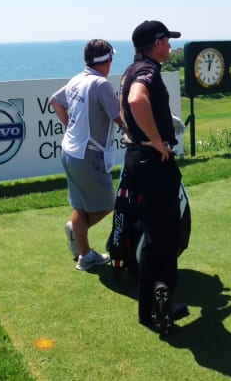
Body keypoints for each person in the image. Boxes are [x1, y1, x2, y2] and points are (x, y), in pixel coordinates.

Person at [120, 20, 191, 332]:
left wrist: (141, 138)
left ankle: (156, 305)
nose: (171, 46)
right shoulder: (147, 71)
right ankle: (154, 310)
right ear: (158, 43)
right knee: (161, 237)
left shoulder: (132, 69)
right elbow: (136, 100)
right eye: (168, 41)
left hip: (141, 158)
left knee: (160, 234)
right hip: (153, 161)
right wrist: (155, 140)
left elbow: (125, 110)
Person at [51, 39, 125, 271]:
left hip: (69, 151)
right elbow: (119, 118)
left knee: (80, 207)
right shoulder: (101, 84)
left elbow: (55, 101)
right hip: (87, 155)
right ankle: (77, 232)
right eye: (111, 59)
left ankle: (85, 255)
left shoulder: (77, 79)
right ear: (107, 61)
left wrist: (70, 128)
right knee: (107, 204)